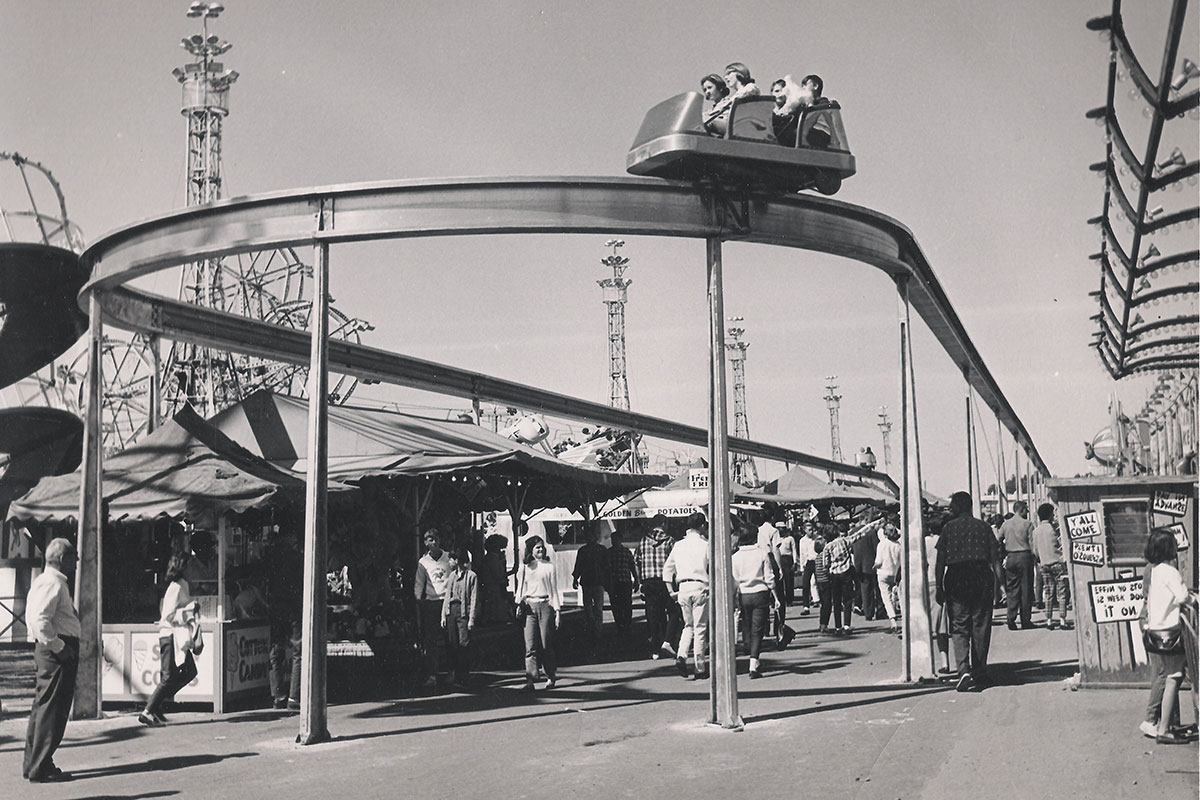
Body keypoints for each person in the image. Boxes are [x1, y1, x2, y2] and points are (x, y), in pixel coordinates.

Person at [23, 538, 80, 784]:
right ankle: (41, 765)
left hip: (50, 650)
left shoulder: (46, 582)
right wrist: (60, 647)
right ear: (61, 559)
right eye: (73, 556)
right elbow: (39, 620)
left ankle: (34, 763)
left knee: (43, 708)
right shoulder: (53, 584)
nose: (77, 561)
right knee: (52, 710)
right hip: (56, 652)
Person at [935, 492, 1000, 692]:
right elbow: (995, 559)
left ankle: (963, 670)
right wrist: (999, 586)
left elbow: (940, 561)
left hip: (956, 578)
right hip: (981, 576)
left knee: (959, 625)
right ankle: (980, 671)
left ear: (954, 508)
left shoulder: (948, 529)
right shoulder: (984, 527)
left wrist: (939, 586)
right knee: (980, 626)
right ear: (971, 506)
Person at [1139, 528, 1198, 744]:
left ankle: (1165, 724)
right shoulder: (1170, 571)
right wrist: (1194, 600)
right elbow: (1182, 596)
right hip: (1170, 632)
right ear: (1168, 548)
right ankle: (1164, 728)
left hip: (1156, 632)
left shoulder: (1155, 570)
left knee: (1171, 675)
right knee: (1174, 677)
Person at [141, 552, 201, 726]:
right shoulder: (177, 587)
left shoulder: (180, 585)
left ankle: (158, 704)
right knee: (168, 676)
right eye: (189, 565)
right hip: (170, 636)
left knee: (188, 671)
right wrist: (189, 612)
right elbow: (168, 615)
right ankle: (148, 710)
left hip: (175, 637)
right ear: (183, 567)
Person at [663, 512, 710, 680]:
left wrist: (671, 591)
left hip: (682, 588)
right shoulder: (706, 545)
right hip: (700, 587)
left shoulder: (678, 545)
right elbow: (712, 566)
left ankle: (681, 654)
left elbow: (667, 570)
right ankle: (700, 667)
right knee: (700, 628)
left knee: (688, 626)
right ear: (702, 526)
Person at [514, 535, 561, 691]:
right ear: (530, 550)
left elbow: (554, 590)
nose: (540, 549)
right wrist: (519, 605)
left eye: (541, 547)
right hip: (529, 607)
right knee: (530, 645)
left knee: (546, 643)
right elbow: (520, 589)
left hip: (545, 605)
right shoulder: (525, 568)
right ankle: (530, 680)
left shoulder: (549, 566)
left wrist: (557, 610)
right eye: (537, 547)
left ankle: (550, 676)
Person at [731, 525, 776, 679]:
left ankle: (747, 648)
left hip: (744, 594)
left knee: (747, 625)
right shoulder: (762, 554)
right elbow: (769, 577)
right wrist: (775, 596)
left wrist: (734, 598)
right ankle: (754, 663)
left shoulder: (735, 557)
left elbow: (734, 581)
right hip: (760, 593)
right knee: (758, 630)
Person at [265, 530, 302, 710]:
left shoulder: (270, 558)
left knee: (276, 651)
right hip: (294, 606)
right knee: (297, 650)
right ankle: (294, 696)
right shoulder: (298, 557)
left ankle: (278, 695)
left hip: (276, 607)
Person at [636, 515, 679, 659]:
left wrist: (640, 580)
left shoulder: (643, 541)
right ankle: (668, 641)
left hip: (648, 582)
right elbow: (675, 563)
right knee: (672, 612)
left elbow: (637, 561)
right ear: (663, 523)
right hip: (665, 581)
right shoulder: (670, 541)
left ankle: (655, 649)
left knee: (652, 615)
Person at [414, 528, 452, 688]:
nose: (434, 543)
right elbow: (419, 582)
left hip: (448, 601)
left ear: (440, 540)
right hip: (431, 603)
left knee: (450, 639)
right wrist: (418, 599)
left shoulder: (448, 557)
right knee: (431, 641)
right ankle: (432, 674)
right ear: (425, 543)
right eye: (430, 540)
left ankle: (452, 672)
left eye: (436, 539)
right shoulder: (423, 562)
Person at [441, 546, 479, 689]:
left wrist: (471, 619)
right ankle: (453, 673)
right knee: (452, 644)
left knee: (464, 644)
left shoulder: (471, 576)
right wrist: (443, 615)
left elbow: (474, 598)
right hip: (452, 610)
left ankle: (463, 676)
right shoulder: (451, 576)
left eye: (451, 559)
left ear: (457, 560)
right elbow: (447, 595)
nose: (449, 562)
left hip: (464, 612)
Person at [1030, 503, 1070, 630]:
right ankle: (1062, 620)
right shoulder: (1055, 529)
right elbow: (1061, 545)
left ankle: (1049, 620)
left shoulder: (1036, 531)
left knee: (1048, 592)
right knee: (1062, 592)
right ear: (1049, 514)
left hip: (1044, 564)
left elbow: (1034, 551)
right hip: (1057, 563)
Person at [572, 524, 609, 653]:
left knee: (596, 608)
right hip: (589, 583)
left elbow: (606, 567)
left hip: (596, 583)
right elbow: (578, 566)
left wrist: (575, 578)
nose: (589, 537)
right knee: (590, 608)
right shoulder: (584, 550)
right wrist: (575, 578)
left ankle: (596, 631)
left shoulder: (600, 550)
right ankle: (594, 630)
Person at [1000, 502, 1035, 630]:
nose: (1027, 513)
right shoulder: (1028, 524)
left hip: (1011, 557)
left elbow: (998, 538)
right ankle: (1025, 620)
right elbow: (1032, 543)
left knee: (1012, 589)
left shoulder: (1006, 524)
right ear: (1022, 510)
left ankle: (1011, 618)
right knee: (1026, 590)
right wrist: (1035, 557)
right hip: (1024, 557)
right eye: (1026, 510)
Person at [825, 523, 855, 634]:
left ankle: (838, 627)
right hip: (846, 573)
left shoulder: (828, 547)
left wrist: (829, 569)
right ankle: (847, 625)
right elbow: (858, 535)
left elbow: (825, 563)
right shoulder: (844, 541)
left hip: (834, 575)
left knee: (836, 601)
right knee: (847, 600)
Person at [607, 530, 639, 635]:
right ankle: (620, 625)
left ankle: (627, 625)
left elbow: (632, 567)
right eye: (612, 539)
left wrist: (636, 580)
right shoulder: (608, 553)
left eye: (616, 539)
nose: (614, 541)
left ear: (620, 540)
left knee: (627, 605)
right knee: (616, 606)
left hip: (625, 582)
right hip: (614, 583)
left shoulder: (626, 552)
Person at [874, 523, 903, 633]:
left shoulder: (882, 544)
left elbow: (878, 562)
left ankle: (893, 621)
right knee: (900, 596)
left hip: (883, 573)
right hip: (895, 573)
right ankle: (904, 619)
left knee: (886, 598)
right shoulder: (898, 545)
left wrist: (874, 567)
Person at [796, 74, 834, 148]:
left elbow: (816, 115)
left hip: (821, 134)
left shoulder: (823, 103)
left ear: (815, 86)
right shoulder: (802, 106)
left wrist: (810, 104)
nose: (802, 88)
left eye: (805, 85)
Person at [796, 521, 818, 615]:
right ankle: (806, 606)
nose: (811, 531)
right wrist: (802, 567)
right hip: (808, 563)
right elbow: (802, 554)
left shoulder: (817, 538)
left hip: (817, 561)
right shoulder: (802, 541)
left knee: (820, 583)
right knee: (805, 585)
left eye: (812, 529)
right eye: (809, 530)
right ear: (805, 530)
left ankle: (819, 600)